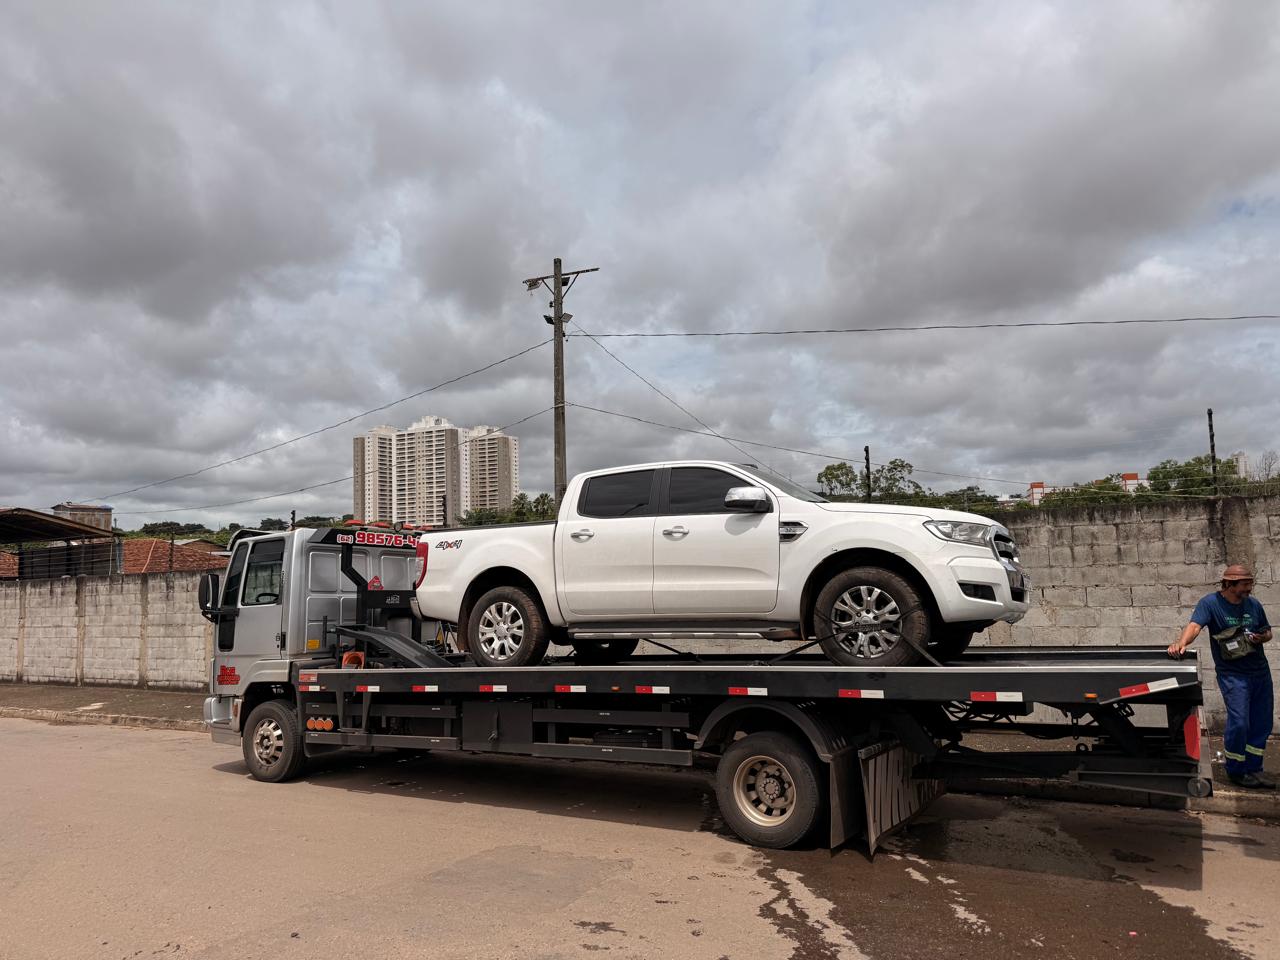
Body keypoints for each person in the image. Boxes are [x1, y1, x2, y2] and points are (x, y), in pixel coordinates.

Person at [1168, 565, 1275, 789]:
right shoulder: (1211, 604)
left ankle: (1254, 769)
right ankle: (1236, 770)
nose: (1249, 588)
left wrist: (1260, 638)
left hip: (1259, 673)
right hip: (1233, 675)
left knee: (1261, 723)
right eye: (1244, 584)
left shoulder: (1253, 605)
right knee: (1239, 722)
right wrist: (1181, 643)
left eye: (1249, 583)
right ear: (1229, 584)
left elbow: (1268, 631)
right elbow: (1195, 626)